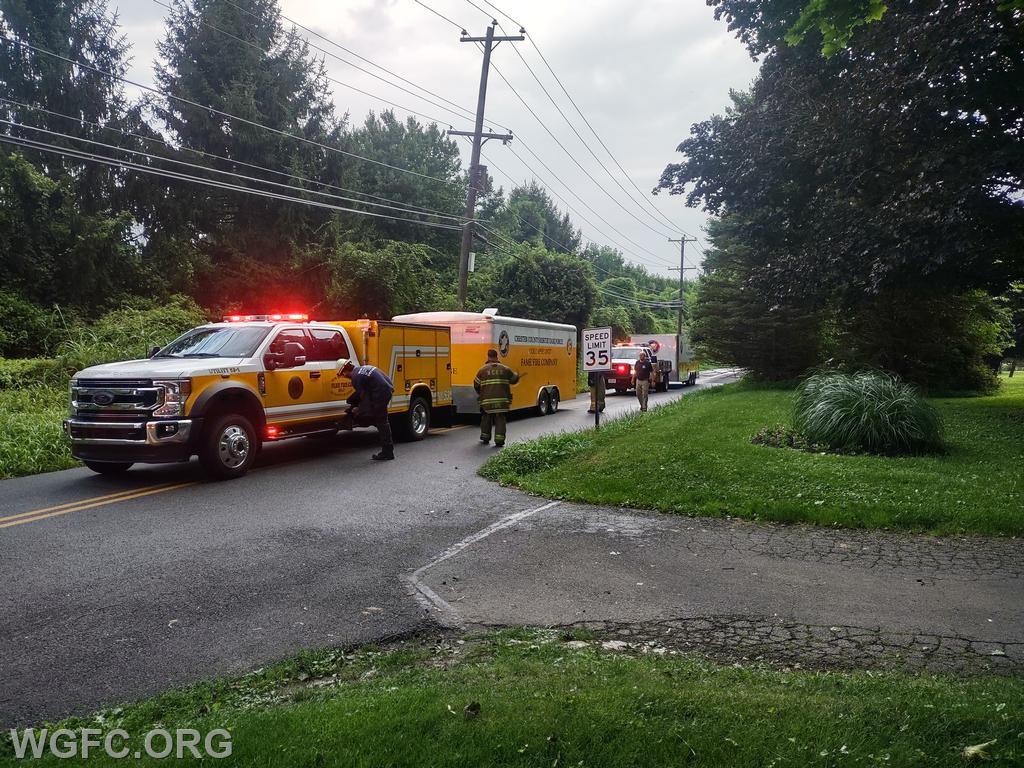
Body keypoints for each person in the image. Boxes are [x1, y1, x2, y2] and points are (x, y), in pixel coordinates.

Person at [338, 360, 395, 460]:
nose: (344, 377)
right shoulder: (363, 368)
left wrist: (358, 410)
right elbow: (366, 390)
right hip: (386, 388)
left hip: (380, 393)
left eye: (342, 375)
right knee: (379, 420)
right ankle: (386, 445)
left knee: (381, 421)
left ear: (345, 372)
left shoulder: (355, 378)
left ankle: (387, 452)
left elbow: (364, 397)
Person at [474, 349, 521, 447]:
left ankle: (485, 437)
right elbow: (513, 380)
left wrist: (482, 393)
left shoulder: (482, 370)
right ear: (497, 356)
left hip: (486, 401)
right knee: (500, 419)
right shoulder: (505, 369)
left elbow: (476, 384)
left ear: (488, 357)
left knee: (486, 418)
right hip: (502, 400)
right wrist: (517, 375)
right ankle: (499, 440)